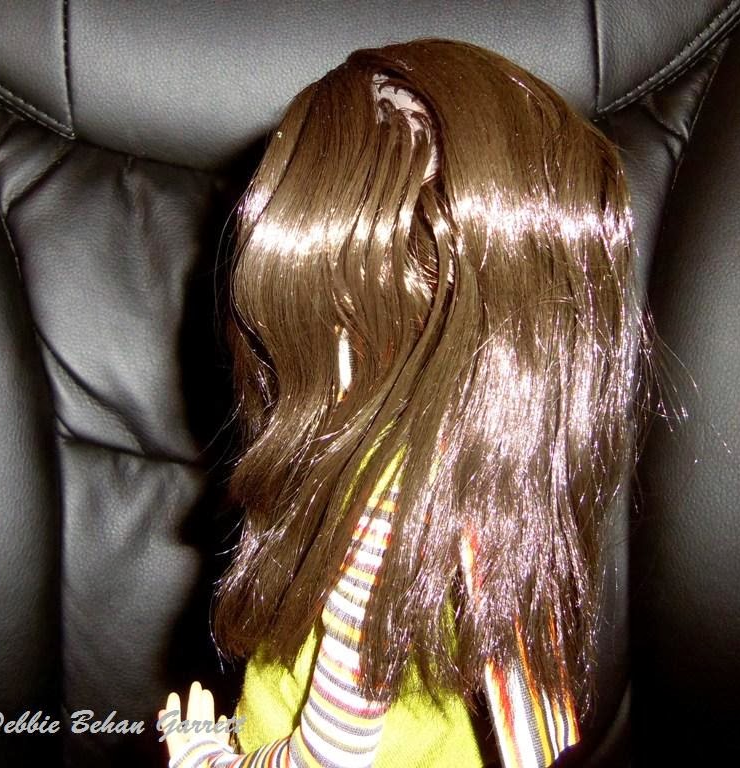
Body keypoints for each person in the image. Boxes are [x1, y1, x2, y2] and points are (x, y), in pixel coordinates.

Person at [161, 37, 645, 768]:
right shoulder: (487, 480)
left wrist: (203, 755)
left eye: (318, 312)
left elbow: (328, 759)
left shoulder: (378, 520)